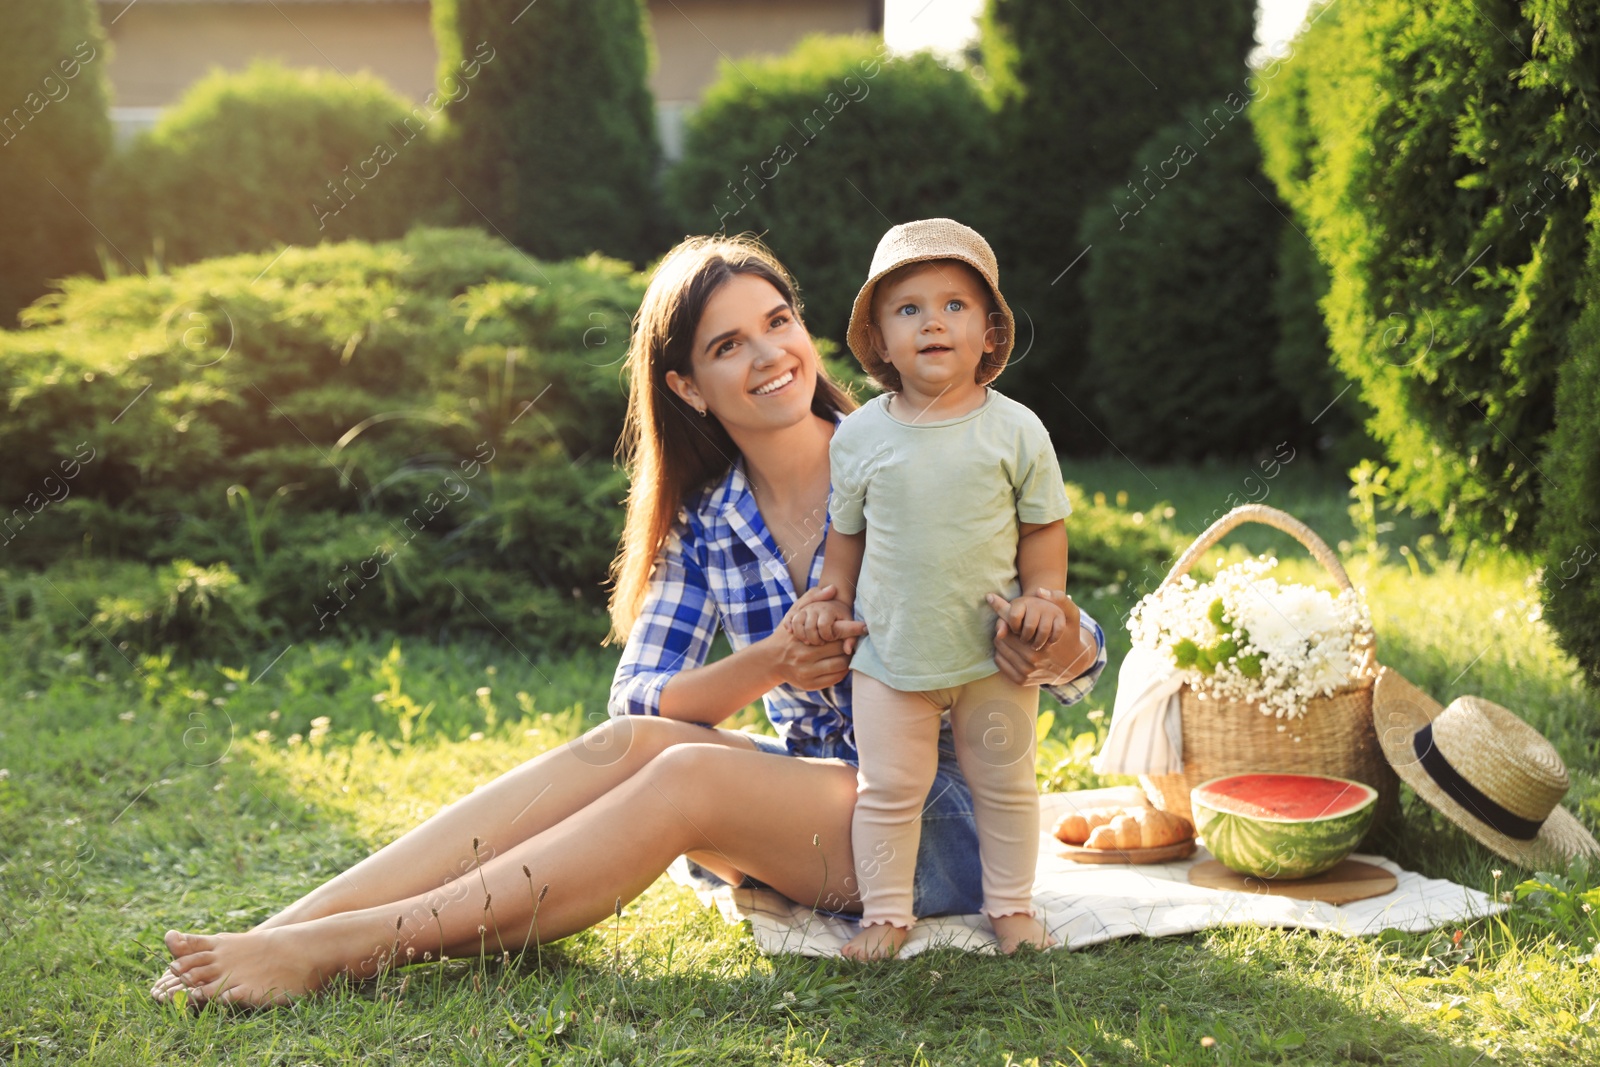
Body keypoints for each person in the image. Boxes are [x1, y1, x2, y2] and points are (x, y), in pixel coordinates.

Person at [150, 234, 1104, 1007]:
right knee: (634, 743)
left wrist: (1044, 629)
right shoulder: (709, 520)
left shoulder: (908, 447)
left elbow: (1077, 651)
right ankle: (287, 929)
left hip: (940, 818)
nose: (768, 353)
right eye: (728, 344)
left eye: (777, 322)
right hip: (827, 790)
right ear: (688, 386)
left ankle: (354, 946)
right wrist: (771, 660)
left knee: (686, 771)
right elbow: (641, 700)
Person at [788, 219, 1070, 960]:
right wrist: (832, 595)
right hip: (889, 653)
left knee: (1005, 784)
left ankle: (1009, 905)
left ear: (989, 333)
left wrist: (1043, 595)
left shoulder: (1016, 431)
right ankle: (886, 912)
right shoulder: (858, 437)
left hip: (992, 652)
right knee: (888, 788)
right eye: (908, 309)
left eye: (955, 305)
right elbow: (845, 535)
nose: (933, 321)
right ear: (879, 340)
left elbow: (1044, 529)